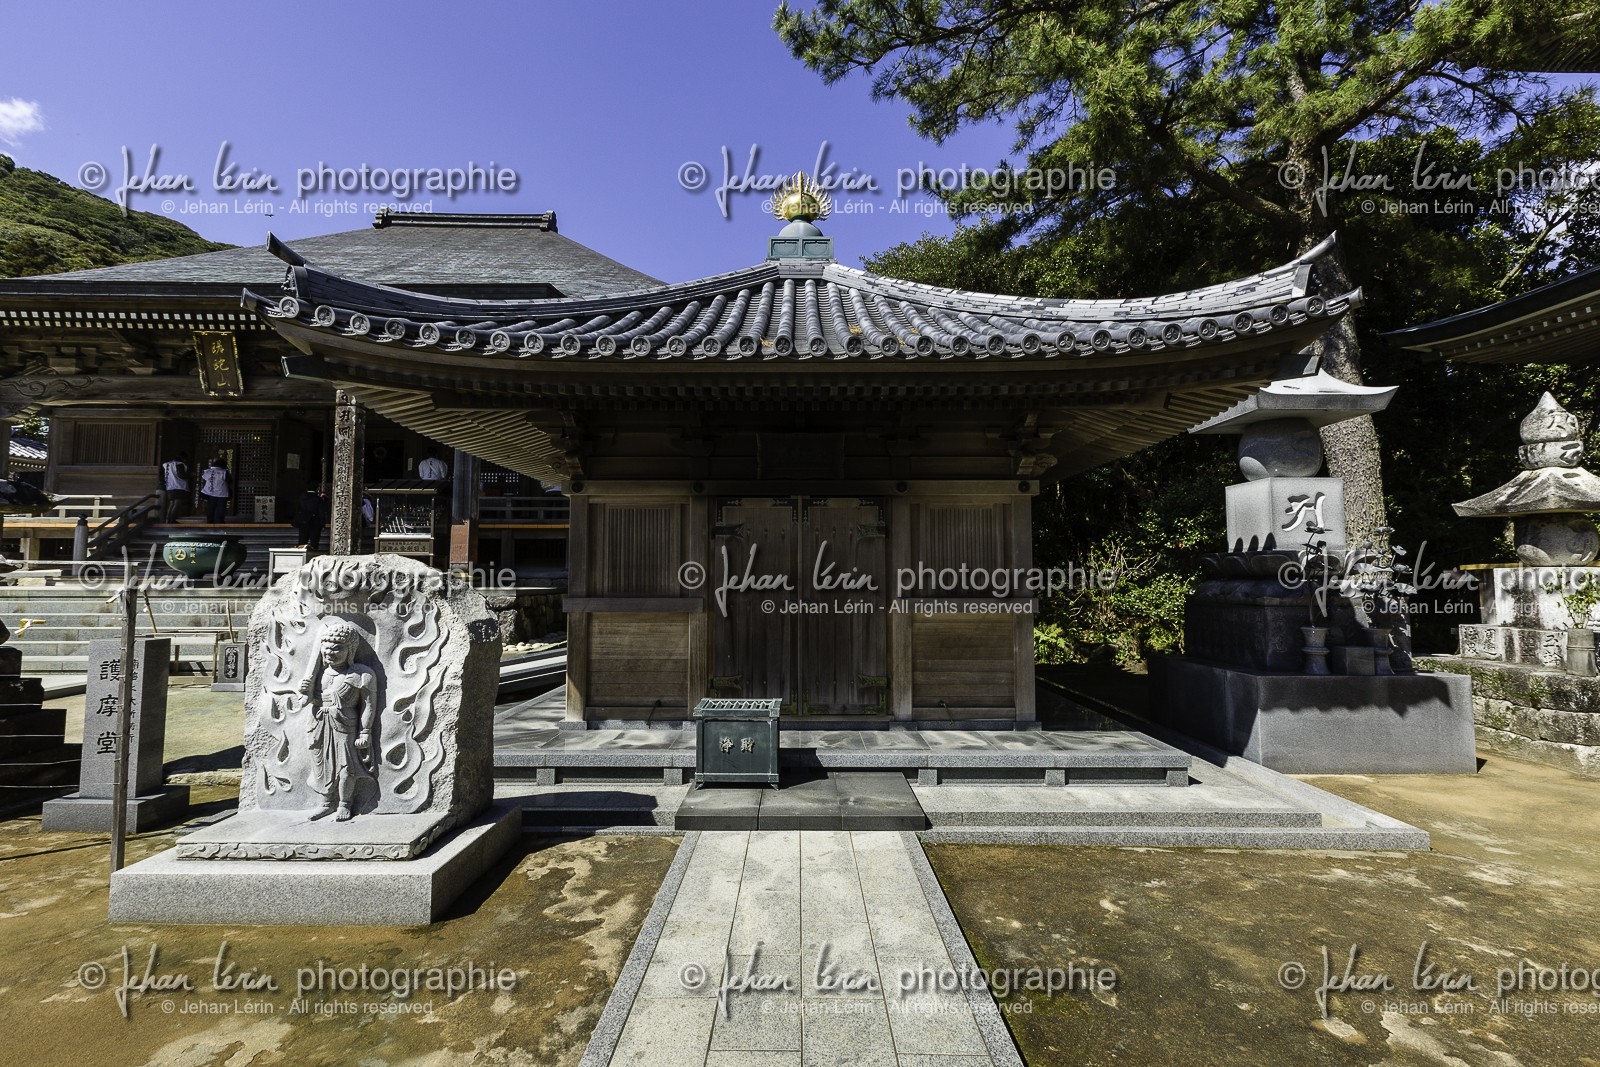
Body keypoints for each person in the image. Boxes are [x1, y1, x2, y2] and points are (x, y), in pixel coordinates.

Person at [297, 618, 378, 822]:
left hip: (345, 725)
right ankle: (325, 803)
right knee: (321, 765)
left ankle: (345, 803)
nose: (330, 653)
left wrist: (365, 732)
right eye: (326, 649)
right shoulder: (319, 675)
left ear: (350, 650)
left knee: (346, 767)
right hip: (318, 724)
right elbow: (308, 700)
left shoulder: (362, 674)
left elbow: (369, 706)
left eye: (337, 649)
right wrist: (305, 692)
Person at [199, 457, 232, 523]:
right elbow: (230, 481)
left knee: (211, 507)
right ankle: (220, 521)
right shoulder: (224, 472)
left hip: (210, 492)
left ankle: (210, 521)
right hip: (222, 492)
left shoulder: (208, 471)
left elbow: (204, 478)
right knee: (221, 508)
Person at [158, 451, 189, 522]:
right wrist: (190, 475)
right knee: (177, 503)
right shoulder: (179, 464)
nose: (185, 461)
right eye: (185, 459)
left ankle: (168, 520)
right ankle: (172, 520)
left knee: (172, 504)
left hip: (169, 486)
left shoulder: (167, 464)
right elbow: (182, 476)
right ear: (183, 458)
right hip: (178, 486)